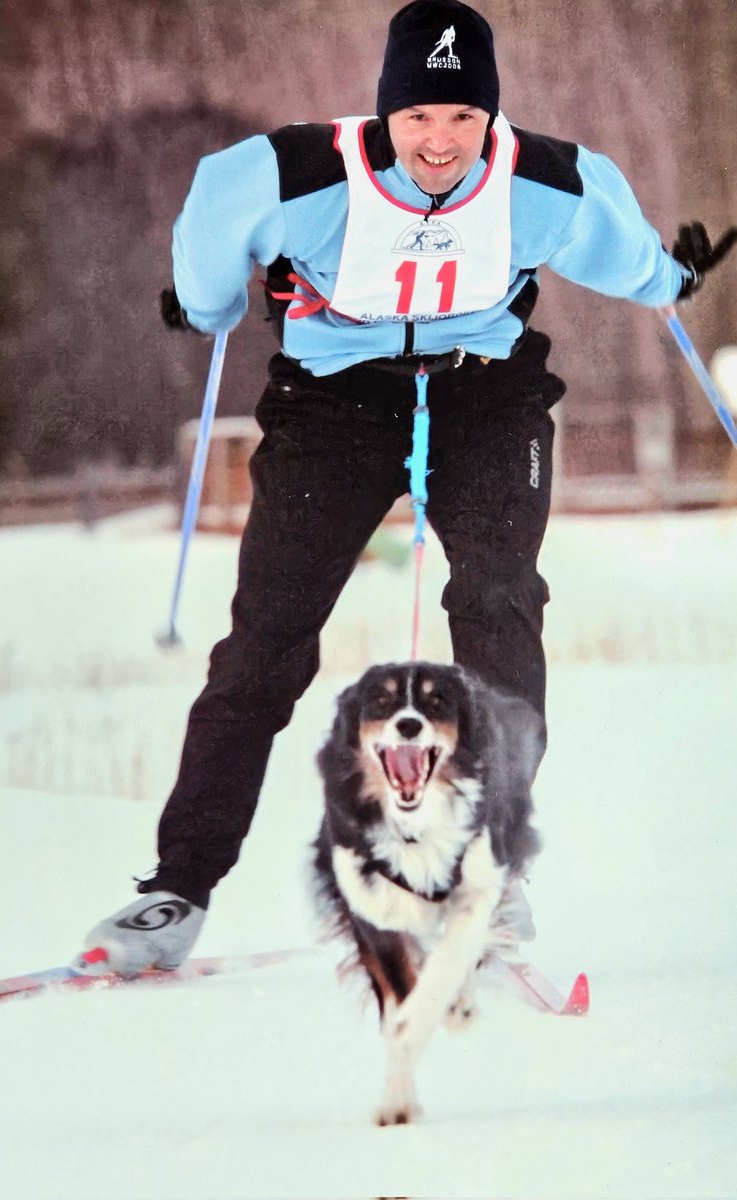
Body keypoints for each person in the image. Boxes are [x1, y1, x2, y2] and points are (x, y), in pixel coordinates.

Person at [77, 0, 734, 974]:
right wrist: (207, 298)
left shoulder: (545, 182)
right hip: (332, 405)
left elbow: (627, 255)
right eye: (418, 117)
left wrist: (666, 275)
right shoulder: (294, 175)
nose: (439, 142)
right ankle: (176, 889)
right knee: (266, 643)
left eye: (462, 119)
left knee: (499, 595)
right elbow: (213, 217)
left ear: (489, 119)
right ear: (384, 113)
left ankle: (489, 869)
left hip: (487, 397)